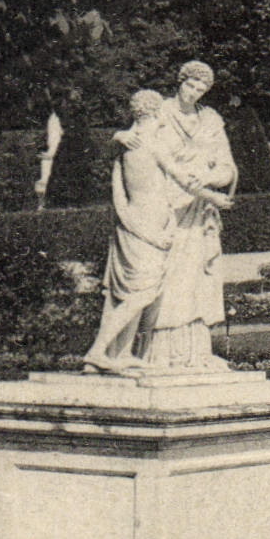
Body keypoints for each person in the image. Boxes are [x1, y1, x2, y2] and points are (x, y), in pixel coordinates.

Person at [119, 60, 238, 372]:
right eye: (191, 84)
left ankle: (195, 354)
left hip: (199, 211)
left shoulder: (211, 120)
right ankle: (155, 353)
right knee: (164, 280)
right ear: (180, 81)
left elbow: (227, 169)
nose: (194, 92)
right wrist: (117, 137)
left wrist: (208, 179)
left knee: (196, 281)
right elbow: (134, 141)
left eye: (201, 88)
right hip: (165, 209)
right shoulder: (160, 112)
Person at [81, 90, 177, 375]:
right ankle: (97, 351)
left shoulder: (124, 147)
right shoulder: (153, 145)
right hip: (145, 229)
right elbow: (184, 179)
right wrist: (215, 196)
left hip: (135, 224)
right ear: (157, 113)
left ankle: (120, 353)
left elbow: (119, 198)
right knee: (143, 292)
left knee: (130, 293)